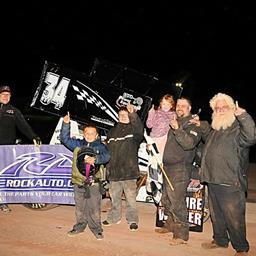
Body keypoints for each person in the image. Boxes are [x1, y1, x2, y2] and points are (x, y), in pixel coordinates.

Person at [197, 93, 256, 256]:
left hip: (230, 181)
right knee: (217, 215)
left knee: (234, 217)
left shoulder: (238, 127)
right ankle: (220, 240)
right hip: (213, 178)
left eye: (224, 107)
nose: (220, 109)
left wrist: (243, 116)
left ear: (231, 108)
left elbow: (251, 137)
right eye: (217, 107)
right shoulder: (216, 129)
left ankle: (241, 248)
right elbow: (207, 147)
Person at [157, 96, 202, 245]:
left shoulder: (193, 125)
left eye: (183, 106)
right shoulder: (174, 122)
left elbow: (189, 144)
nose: (179, 108)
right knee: (165, 199)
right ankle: (170, 224)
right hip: (167, 166)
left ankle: (182, 235)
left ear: (189, 108)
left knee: (177, 201)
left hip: (180, 168)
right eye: (178, 106)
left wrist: (177, 129)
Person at [60, 113, 110, 240]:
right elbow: (64, 139)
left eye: (92, 133)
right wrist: (66, 124)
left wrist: (96, 159)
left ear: (97, 135)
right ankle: (79, 226)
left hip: (94, 183)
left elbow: (107, 156)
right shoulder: (77, 145)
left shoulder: (101, 146)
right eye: (87, 133)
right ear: (83, 134)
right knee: (80, 208)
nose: (89, 135)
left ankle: (97, 229)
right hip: (78, 182)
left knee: (94, 208)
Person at [102, 103, 144, 231]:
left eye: (126, 115)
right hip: (114, 172)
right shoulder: (112, 131)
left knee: (131, 200)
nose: (123, 117)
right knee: (115, 198)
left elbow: (139, 128)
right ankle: (114, 218)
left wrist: (133, 114)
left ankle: (132, 220)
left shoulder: (134, 131)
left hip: (129, 172)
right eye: (121, 115)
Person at [0, 85, 41, 213]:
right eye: (3, 94)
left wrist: (34, 136)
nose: (5, 97)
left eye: (8, 95)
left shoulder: (14, 111)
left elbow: (24, 126)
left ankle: (2, 202)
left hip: (6, 149)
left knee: (3, 177)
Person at [146, 94, 176, 159]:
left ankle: (158, 168)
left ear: (171, 106)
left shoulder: (173, 115)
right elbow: (149, 125)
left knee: (159, 158)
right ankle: (150, 168)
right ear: (160, 104)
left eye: (168, 104)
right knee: (151, 158)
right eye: (164, 104)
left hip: (164, 139)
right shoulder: (156, 113)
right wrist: (151, 113)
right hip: (153, 138)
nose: (165, 106)